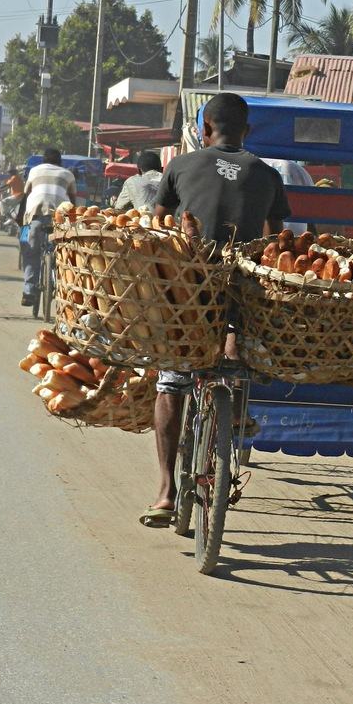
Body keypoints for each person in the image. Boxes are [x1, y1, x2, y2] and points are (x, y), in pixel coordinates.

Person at [140, 91, 292, 528]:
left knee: (171, 381)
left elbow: (159, 225)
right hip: (240, 298)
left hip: (188, 294)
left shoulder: (181, 166)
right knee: (243, 331)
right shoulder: (266, 174)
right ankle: (238, 406)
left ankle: (167, 492)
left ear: (204, 129)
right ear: (247, 133)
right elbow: (274, 239)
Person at [19, 148, 76, 308]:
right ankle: (61, 289)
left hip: (36, 216)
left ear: (43, 161)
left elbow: (26, 194)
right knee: (63, 255)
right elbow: (72, 201)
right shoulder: (68, 174)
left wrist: (22, 219)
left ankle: (29, 291)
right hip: (59, 219)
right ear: (60, 162)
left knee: (32, 253)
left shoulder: (34, 171)